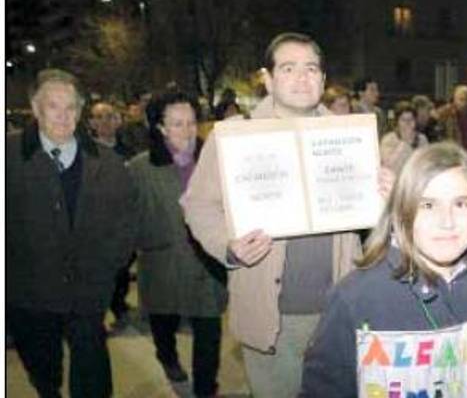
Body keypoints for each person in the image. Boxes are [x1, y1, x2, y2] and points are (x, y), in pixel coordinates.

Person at [180, 32, 364, 397]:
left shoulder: (349, 138)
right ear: (267, 79)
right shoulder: (235, 137)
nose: (302, 78)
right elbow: (198, 204)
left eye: (311, 69)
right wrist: (228, 248)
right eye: (289, 68)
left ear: (323, 81)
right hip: (272, 318)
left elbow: (379, 219)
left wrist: (385, 195)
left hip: (339, 314)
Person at [300, 142, 467, 397]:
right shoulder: (355, 298)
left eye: (461, 204)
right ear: (402, 213)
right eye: (428, 205)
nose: (447, 221)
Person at [6, 68, 137, 397]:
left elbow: (126, 222)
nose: (63, 116)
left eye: (71, 108)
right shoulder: (9, 156)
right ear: (36, 109)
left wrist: (108, 269)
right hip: (29, 294)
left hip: (87, 291)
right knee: (43, 370)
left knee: (93, 377)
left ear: (81, 113)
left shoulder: (107, 163)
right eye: (53, 106)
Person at [128, 89, 228, 397]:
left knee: (209, 332)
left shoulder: (215, 160)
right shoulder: (140, 169)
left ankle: (205, 388)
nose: (186, 131)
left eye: (191, 122)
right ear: (160, 127)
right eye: (176, 123)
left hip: (206, 264)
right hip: (163, 264)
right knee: (164, 324)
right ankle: (167, 357)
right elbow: (130, 218)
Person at [88, 100, 136, 332]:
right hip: (97, 227)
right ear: (91, 123)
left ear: (118, 121)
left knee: (122, 271)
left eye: (110, 116)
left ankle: (119, 305)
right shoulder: (85, 154)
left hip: (124, 224)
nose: (105, 122)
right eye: (99, 117)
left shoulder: (127, 151)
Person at [435, 84, 467, 166]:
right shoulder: (445, 112)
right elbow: (439, 133)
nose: (464, 103)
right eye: (461, 99)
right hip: (453, 154)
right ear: (454, 99)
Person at [379, 100, 428, 174]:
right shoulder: (388, 139)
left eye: (410, 119)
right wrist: (404, 142)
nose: (407, 123)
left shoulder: (422, 139)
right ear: (397, 122)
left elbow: (426, 164)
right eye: (403, 120)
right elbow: (387, 165)